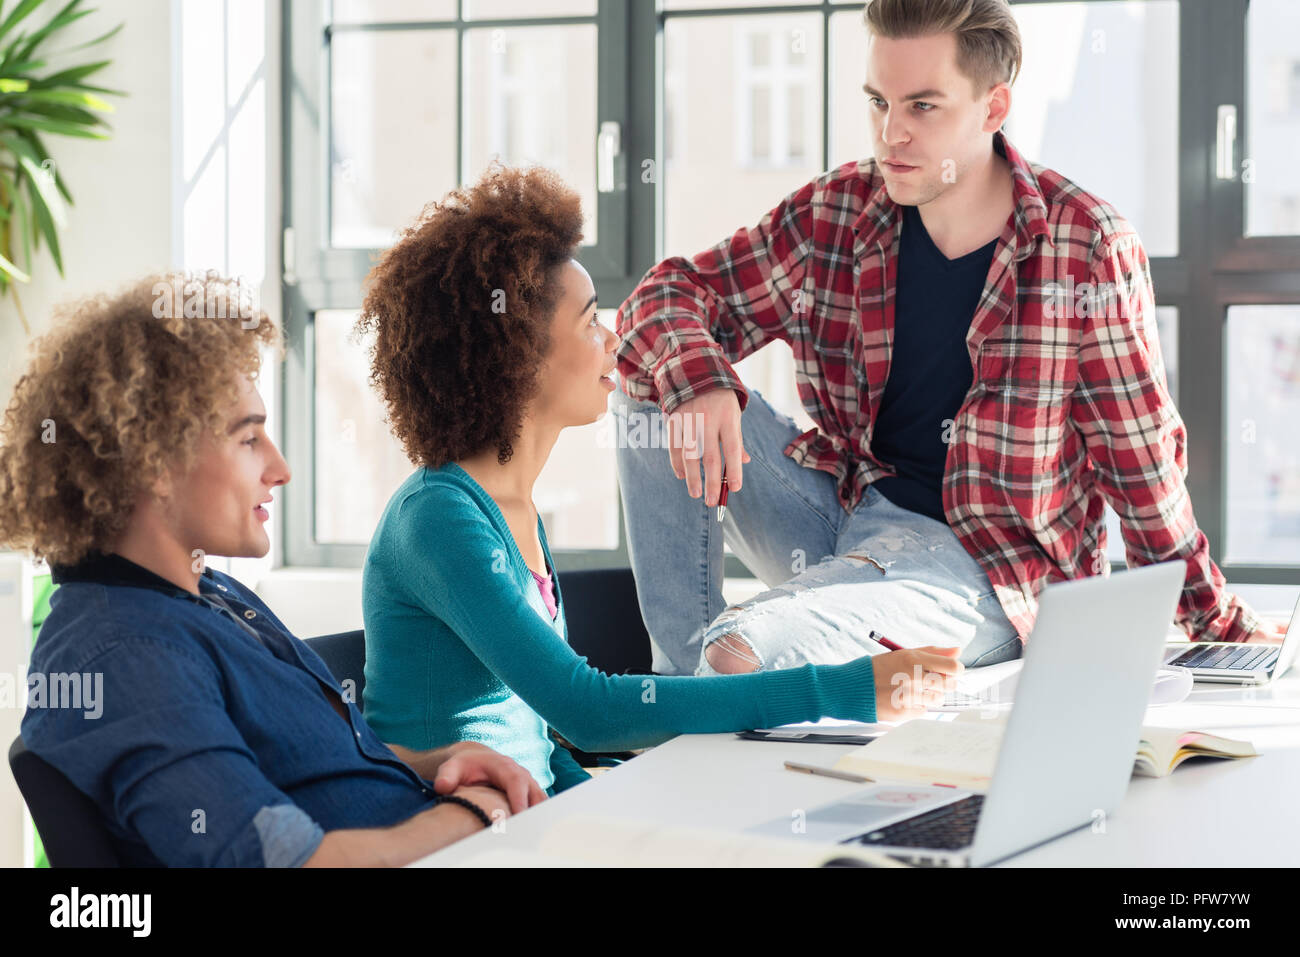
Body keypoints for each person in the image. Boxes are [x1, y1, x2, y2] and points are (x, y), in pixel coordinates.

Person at [614, 0, 1284, 679]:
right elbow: (665, 297)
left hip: (985, 569)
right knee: (650, 385)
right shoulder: (839, 211)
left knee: (741, 652)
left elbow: (1139, 465)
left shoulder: (1085, 246)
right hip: (841, 510)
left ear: (994, 108)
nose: (890, 134)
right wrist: (699, 381)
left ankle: (707, 685)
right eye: (879, 102)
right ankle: (674, 693)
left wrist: (1215, 621)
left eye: (922, 107)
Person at [357, 163, 961, 794]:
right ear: (519, 357)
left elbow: (539, 738)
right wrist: (853, 687)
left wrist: (620, 789)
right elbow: (588, 711)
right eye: (591, 323)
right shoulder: (437, 520)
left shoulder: (514, 509)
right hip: (452, 838)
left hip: (523, 815)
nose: (613, 338)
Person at [1, 273, 545, 867]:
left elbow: (311, 772)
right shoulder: (128, 657)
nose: (280, 468)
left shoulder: (208, 593)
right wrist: (471, 813)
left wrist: (437, 763)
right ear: (153, 463)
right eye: (248, 438)